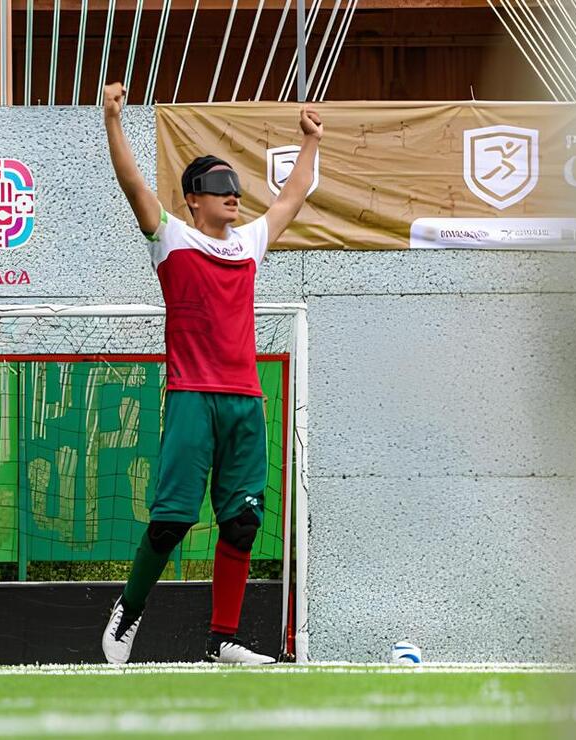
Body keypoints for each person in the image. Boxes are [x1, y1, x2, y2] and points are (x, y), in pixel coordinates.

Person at [99, 81, 322, 664]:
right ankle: (129, 609)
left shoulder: (249, 243)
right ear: (193, 198)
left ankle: (222, 639)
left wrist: (310, 142)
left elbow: (292, 197)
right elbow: (132, 183)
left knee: (242, 525)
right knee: (172, 522)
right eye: (221, 186)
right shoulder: (171, 236)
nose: (235, 197)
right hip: (193, 397)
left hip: (246, 401)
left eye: (237, 187)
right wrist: (113, 121)